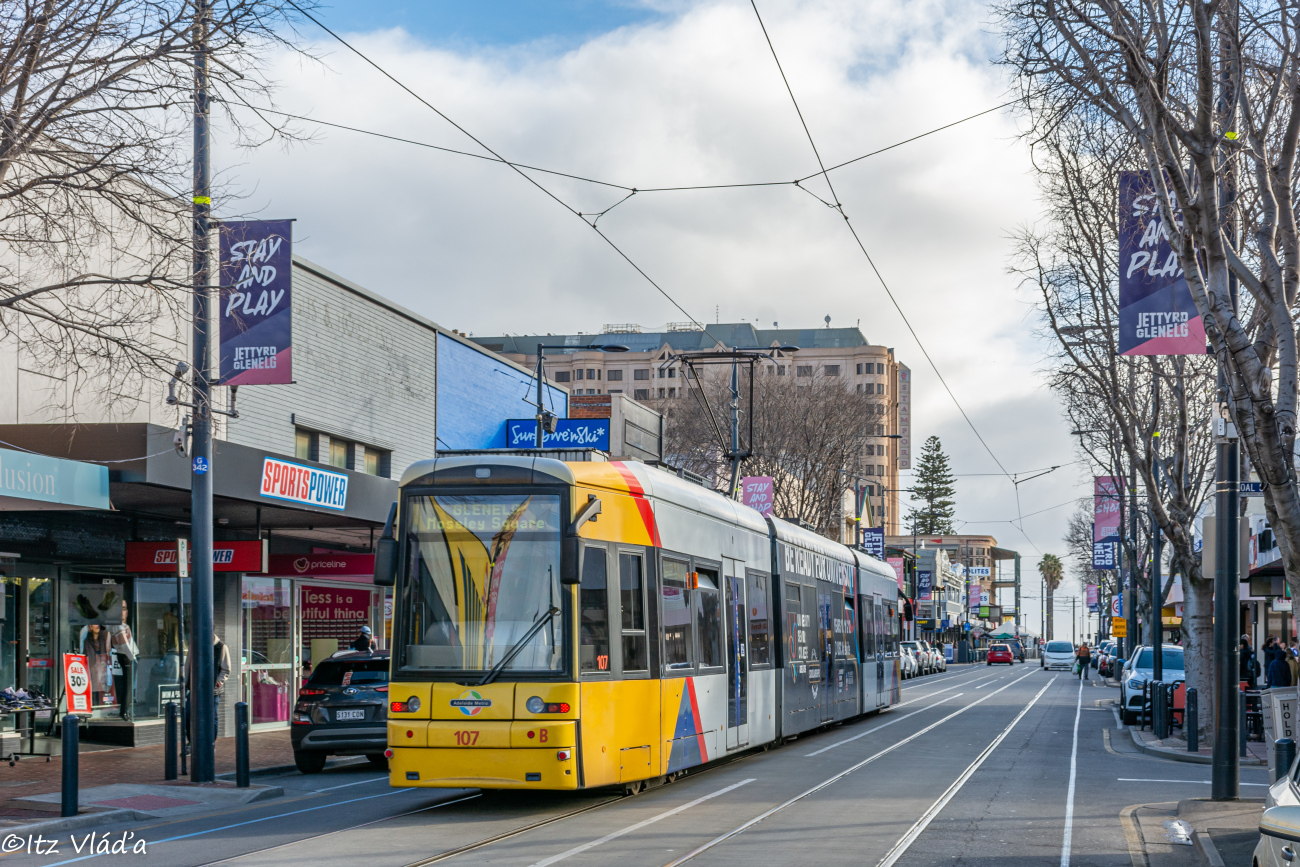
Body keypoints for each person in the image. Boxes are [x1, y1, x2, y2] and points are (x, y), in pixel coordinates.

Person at [108, 602, 139, 722]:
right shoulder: (119, 626)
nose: (122, 612)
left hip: (128, 656)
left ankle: (125, 710)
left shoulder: (122, 625)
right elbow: (124, 645)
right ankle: (124, 711)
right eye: (119, 609)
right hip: (127, 656)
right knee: (128, 685)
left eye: (124, 609)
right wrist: (132, 657)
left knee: (129, 685)